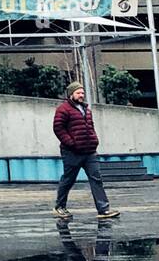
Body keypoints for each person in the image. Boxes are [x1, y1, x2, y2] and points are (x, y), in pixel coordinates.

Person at [51, 80, 120, 221]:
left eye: (82, 92)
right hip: (72, 152)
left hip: (89, 152)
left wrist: (95, 140)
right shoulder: (63, 109)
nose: (81, 95)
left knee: (96, 179)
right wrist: (71, 143)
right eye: (78, 92)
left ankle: (103, 209)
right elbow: (58, 128)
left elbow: (91, 127)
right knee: (68, 179)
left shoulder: (86, 109)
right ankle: (59, 207)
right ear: (71, 94)